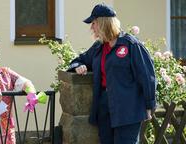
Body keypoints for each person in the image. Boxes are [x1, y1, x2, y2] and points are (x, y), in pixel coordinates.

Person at [67, 3, 156, 144]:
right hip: (104, 109)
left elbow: (147, 77)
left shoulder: (132, 45)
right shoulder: (99, 47)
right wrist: (79, 66)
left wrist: (150, 106)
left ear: (103, 23)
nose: (92, 28)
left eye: (94, 23)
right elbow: (77, 60)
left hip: (128, 110)